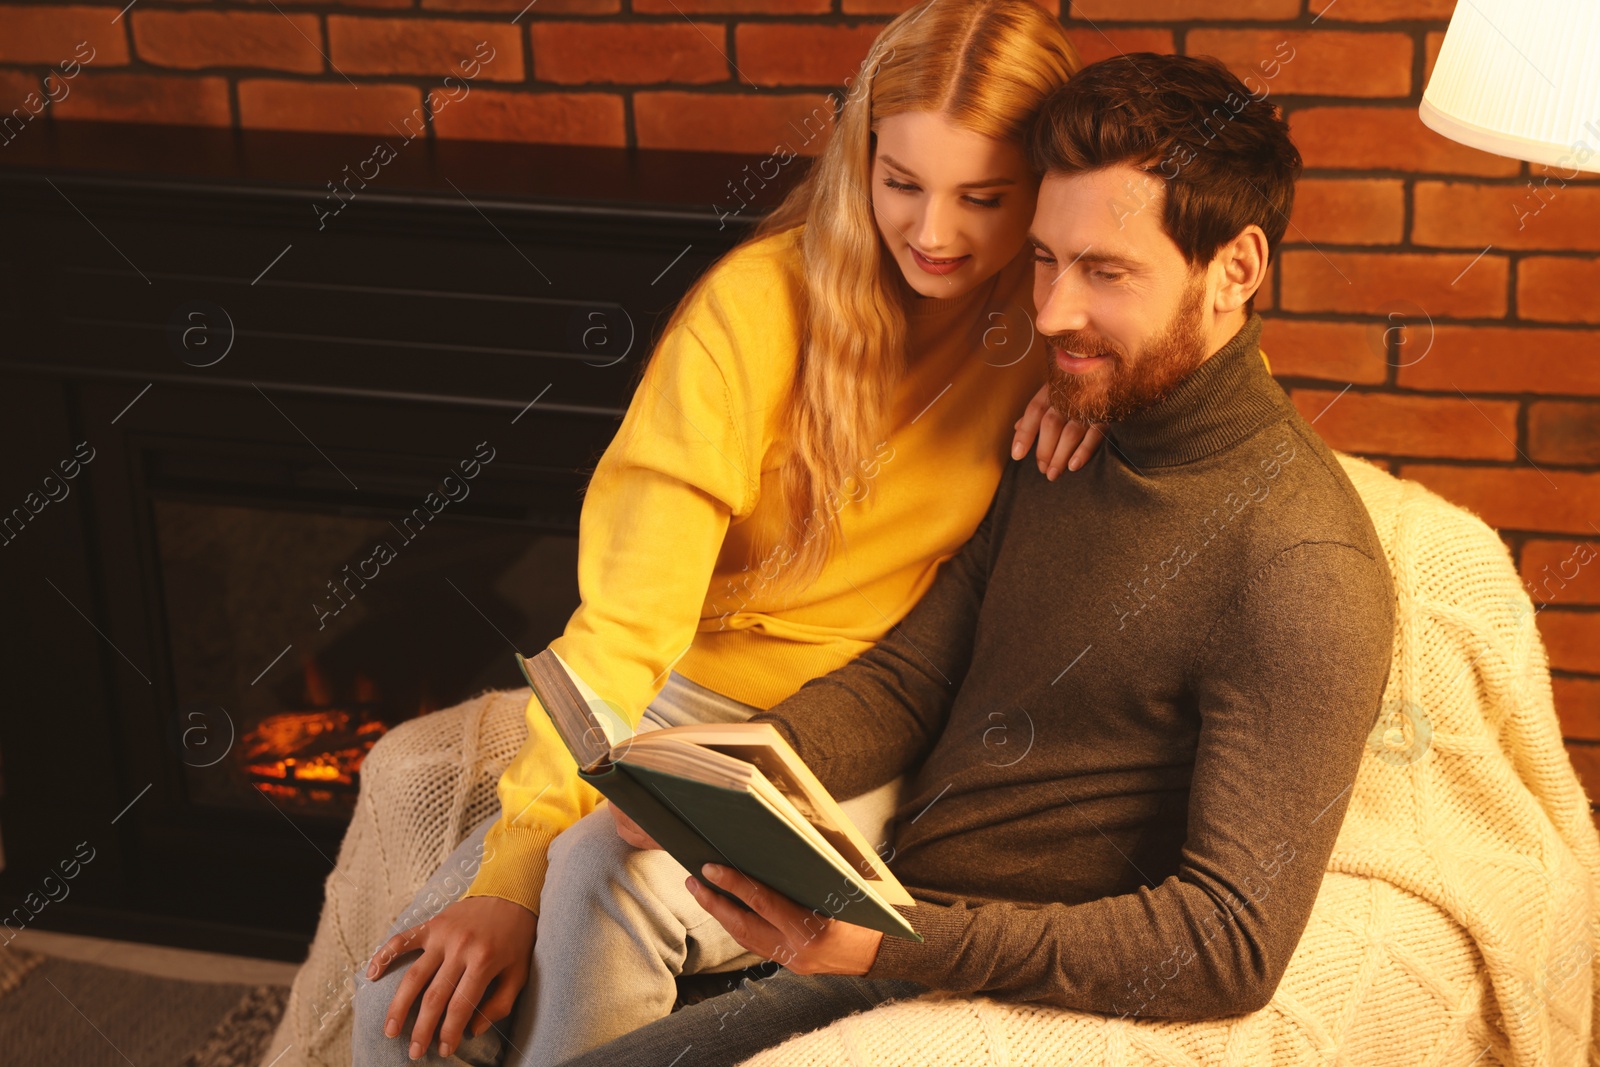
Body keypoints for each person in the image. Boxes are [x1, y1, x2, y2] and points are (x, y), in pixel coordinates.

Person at [554, 50, 1397, 1067]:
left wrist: (901, 938)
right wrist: (720, 781)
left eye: (1104, 272)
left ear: (1236, 270)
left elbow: (1226, 942)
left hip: (949, 968)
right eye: (1044, 258)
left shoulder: (1300, 562)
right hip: (879, 926)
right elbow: (912, 679)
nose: (1049, 313)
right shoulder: (1073, 437)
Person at [352, 2, 1103, 1064]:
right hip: (664, 699)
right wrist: (506, 868)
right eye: (903, 184)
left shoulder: (1059, 322)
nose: (935, 233)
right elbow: (624, 628)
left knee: (599, 878)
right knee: (411, 1005)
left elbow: (1207, 362)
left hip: (852, 721)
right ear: (861, 158)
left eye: (983, 198)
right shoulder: (753, 312)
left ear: (1042, 188)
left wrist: (1098, 392)